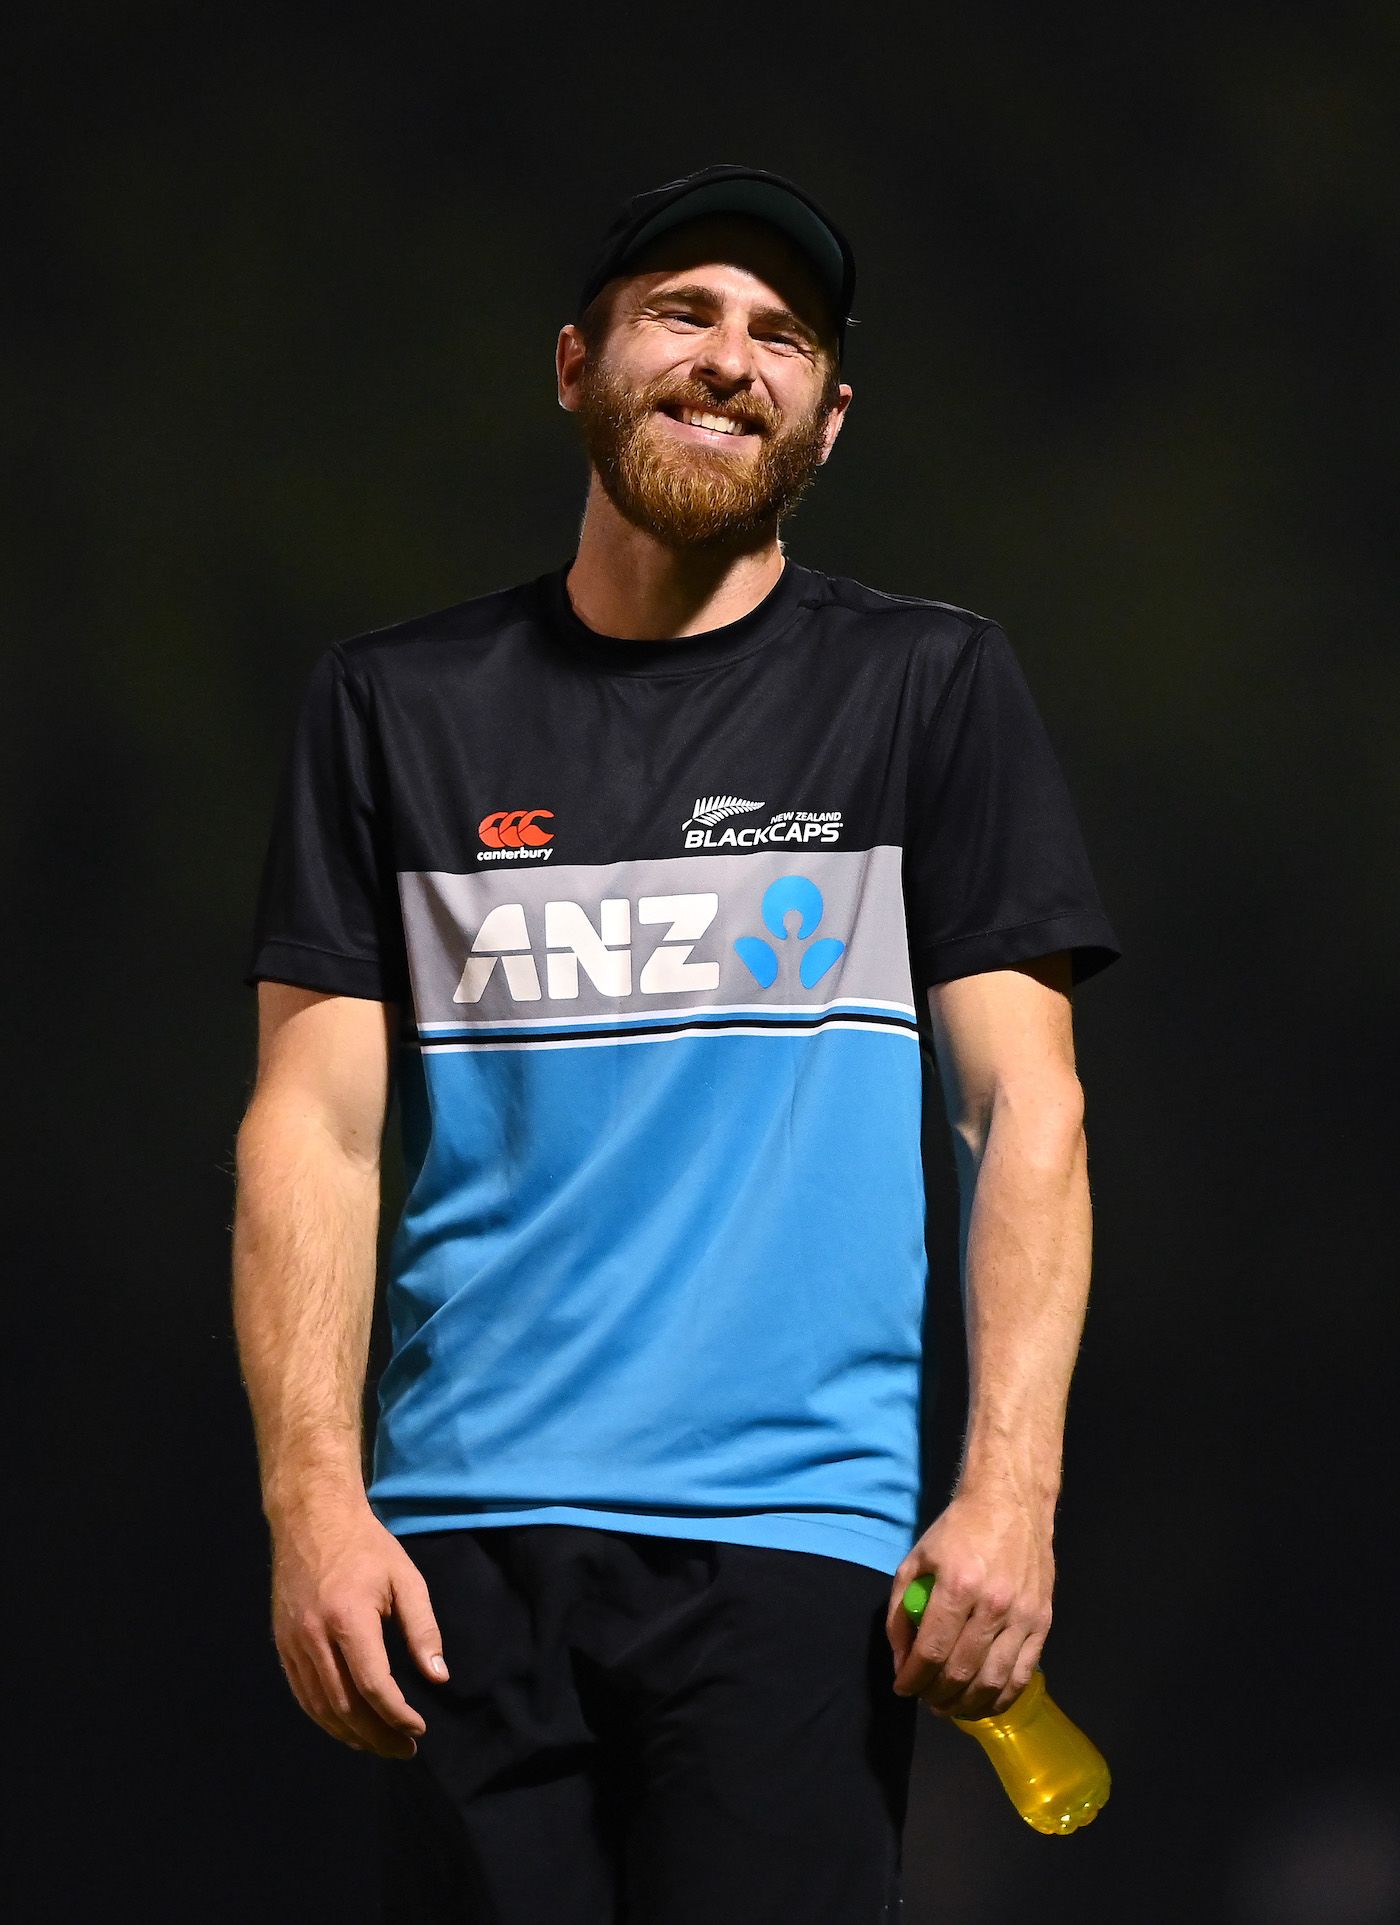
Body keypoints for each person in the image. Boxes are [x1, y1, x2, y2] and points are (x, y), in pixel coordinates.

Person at [232, 163, 1123, 1923]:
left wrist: (1007, 1493)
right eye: (683, 311)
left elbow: (1027, 1107)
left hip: (799, 1554)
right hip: (460, 1555)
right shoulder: (395, 709)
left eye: (782, 335)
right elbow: (311, 1131)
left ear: (831, 415)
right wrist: (314, 1505)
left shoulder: (926, 687)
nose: (732, 360)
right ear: (575, 363)